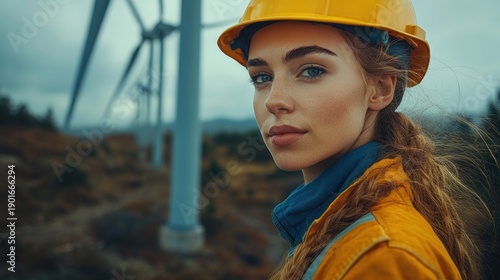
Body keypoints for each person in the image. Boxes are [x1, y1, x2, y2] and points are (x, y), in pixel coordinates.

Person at [217, 0, 488, 279]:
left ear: (380, 89)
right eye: (262, 77)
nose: (274, 101)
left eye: (311, 71)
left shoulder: (385, 258)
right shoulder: (338, 224)